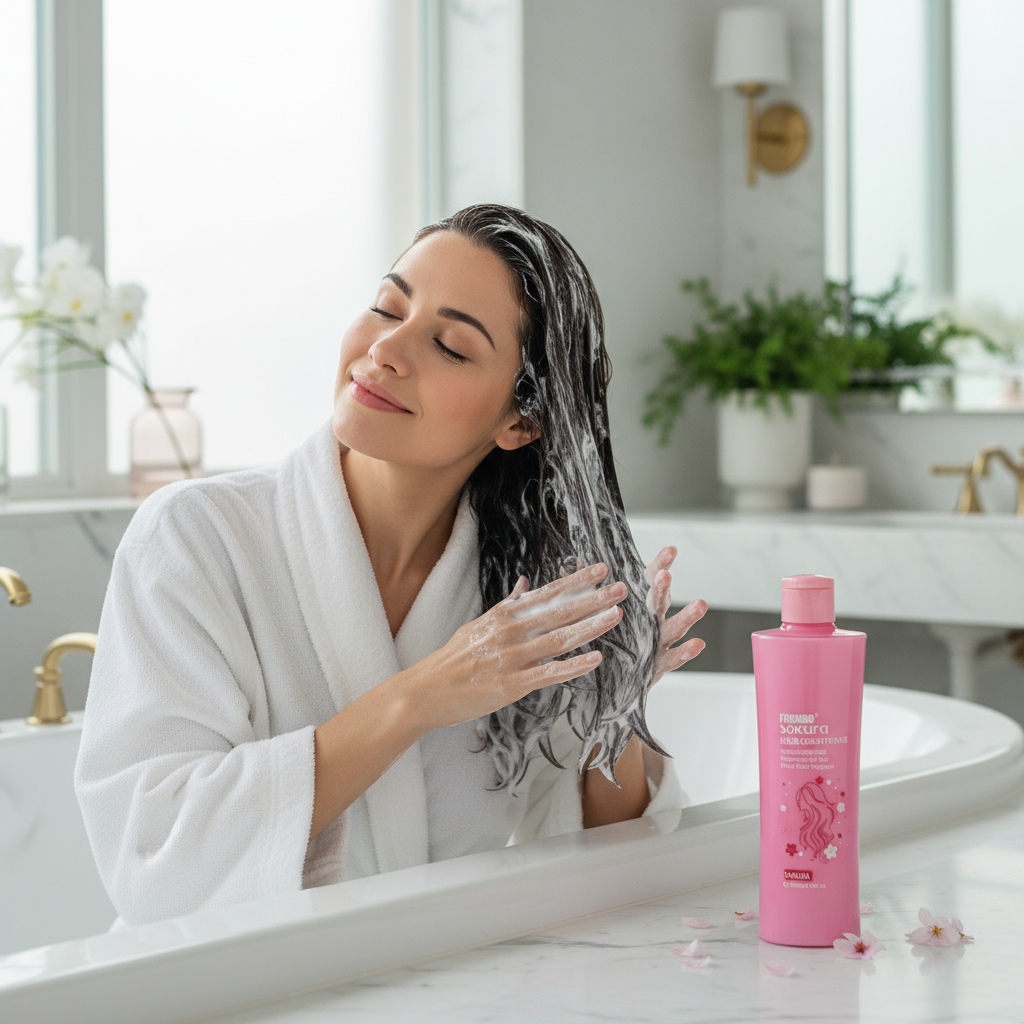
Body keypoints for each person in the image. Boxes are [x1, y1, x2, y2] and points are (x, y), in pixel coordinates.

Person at [75, 205, 707, 927]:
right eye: (387, 307)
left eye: (449, 346)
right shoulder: (195, 537)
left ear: (519, 421)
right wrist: (419, 698)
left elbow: (603, 857)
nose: (385, 350)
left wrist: (610, 714)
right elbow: (153, 857)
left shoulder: (514, 591)